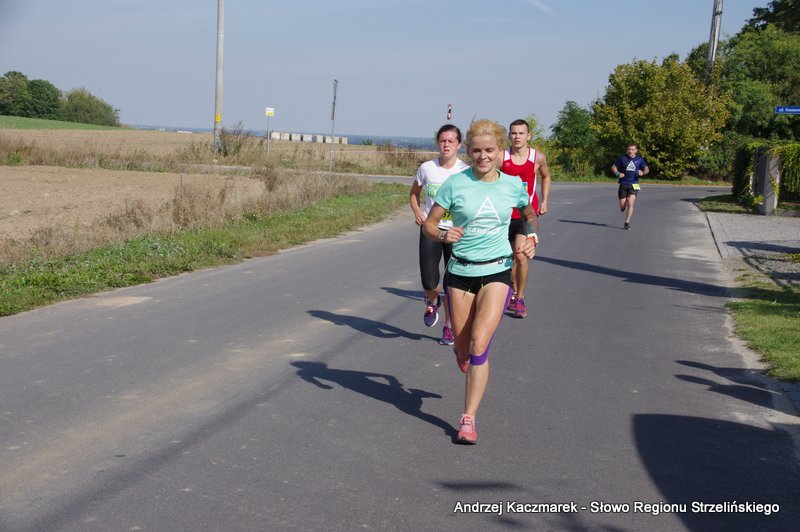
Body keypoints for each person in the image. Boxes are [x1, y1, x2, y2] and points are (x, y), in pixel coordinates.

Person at [423, 119, 537, 444]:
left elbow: (529, 214)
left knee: (479, 344)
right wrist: (443, 234)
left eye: (489, 150)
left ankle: (468, 418)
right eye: (476, 151)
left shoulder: (512, 185)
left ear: (500, 151)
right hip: (460, 272)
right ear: (469, 152)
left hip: (497, 270)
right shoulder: (455, 184)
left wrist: (531, 238)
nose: (483, 156)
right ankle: (466, 358)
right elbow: (429, 225)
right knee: (462, 349)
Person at [410, 124, 469, 345]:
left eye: (451, 141)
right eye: (442, 140)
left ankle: (449, 327)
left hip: (456, 232)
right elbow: (414, 194)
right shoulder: (427, 168)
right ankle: (432, 300)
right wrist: (418, 213)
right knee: (429, 281)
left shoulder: (466, 171)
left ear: (459, 144)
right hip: (431, 229)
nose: (446, 145)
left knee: (453, 284)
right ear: (438, 143)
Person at [501, 119, 551, 318]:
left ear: (528, 136)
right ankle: (513, 292)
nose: (517, 137)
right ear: (509, 136)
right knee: (507, 258)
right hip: (504, 215)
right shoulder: (501, 157)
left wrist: (545, 200)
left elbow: (546, 176)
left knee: (520, 255)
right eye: (513, 133)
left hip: (526, 215)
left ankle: (520, 298)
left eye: (521, 133)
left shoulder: (537, 157)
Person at [611, 143, 649, 230]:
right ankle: (623, 207)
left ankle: (627, 222)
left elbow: (647, 169)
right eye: (629, 149)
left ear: (636, 150)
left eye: (632, 149)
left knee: (630, 202)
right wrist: (618, 173)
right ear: (627, 150)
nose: (630, 151)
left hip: (634, 184)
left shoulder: (639, 159)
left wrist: (643, 172)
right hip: (623, 184)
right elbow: (613, 167)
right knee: (622, 205)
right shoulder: (622, 158)